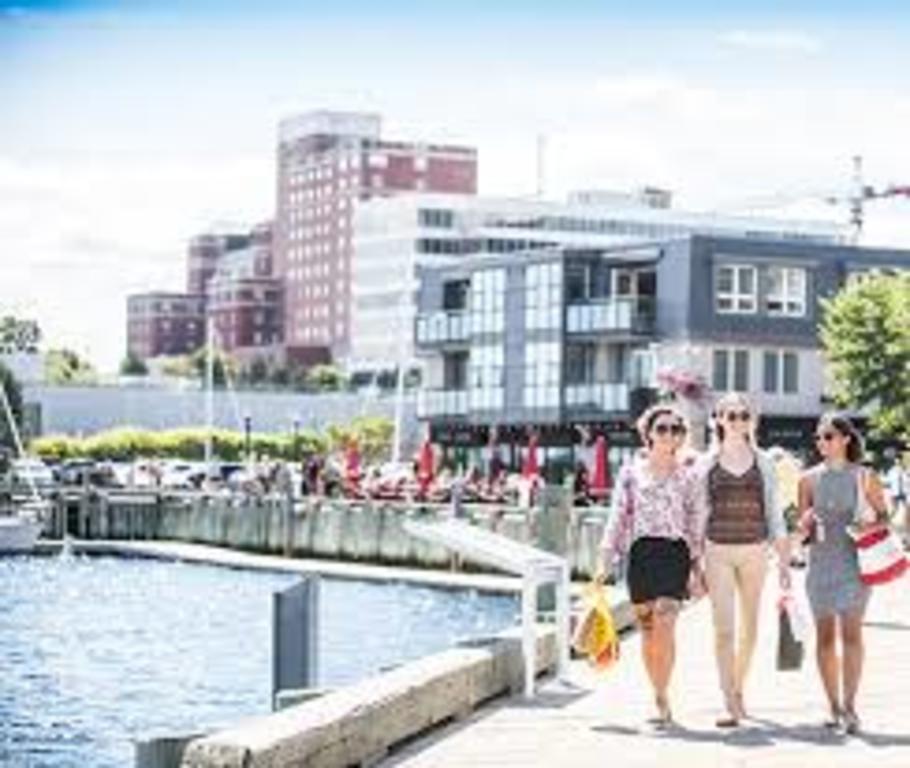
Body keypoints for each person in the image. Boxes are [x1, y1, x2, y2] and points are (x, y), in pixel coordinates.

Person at [598, 404, 704, 728]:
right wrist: (606, 555)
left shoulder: (690, 476)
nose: (669, 435)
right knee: (647, 631)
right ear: (648, 434)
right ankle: (657, 692)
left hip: (675, 553)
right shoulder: (631, 473)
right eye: (662, 429)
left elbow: (696, 521)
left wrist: (697, 567)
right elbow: (618, 516)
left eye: (676, 429)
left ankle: (663, 696)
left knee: (666, 623)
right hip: (641, 554)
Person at [698, 393, 791, 727]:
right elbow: (699, 512)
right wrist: (695, 561)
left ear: (752, 420)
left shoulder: (763, 461)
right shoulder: (706, 462)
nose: (738, 421)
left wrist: (783, 561)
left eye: (744, 415)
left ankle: (738, 687)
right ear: (719, 419)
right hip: (717, 550)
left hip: (755, 550)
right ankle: (728, 701)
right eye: (731, 415)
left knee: (750, 631)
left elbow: (774, 511)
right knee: (723, 630)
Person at [797, 413, 889, 735]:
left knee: (852, 634)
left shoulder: (865, 476)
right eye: (819, 438)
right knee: (824, 639)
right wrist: (804, 525)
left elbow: (884, 518)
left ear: (846, 439)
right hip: (821, 563)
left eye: (829, 436)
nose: (822, 443)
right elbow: (802, 529)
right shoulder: (808, 478)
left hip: (855, 562)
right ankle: (832, 707)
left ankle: (850, 706)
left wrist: (868, 525)